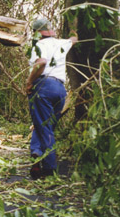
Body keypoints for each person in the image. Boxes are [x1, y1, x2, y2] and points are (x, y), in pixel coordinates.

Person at [26, 17, 78, 179]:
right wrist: (74, 23)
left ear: (36, 34)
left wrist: (29, 82)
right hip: (60, 90)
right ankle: (36, 151)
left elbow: (41, 62)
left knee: (43, 127)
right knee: (44, 126)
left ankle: (49, 167)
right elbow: (74, 39)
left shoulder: (39, 46)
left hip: (43, 87)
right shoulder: (61, 43)